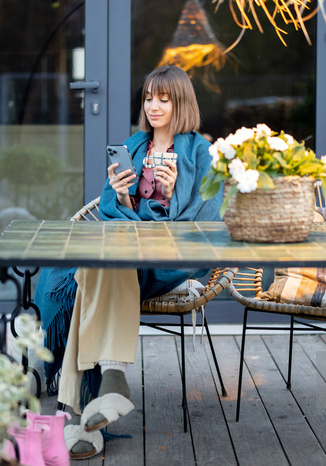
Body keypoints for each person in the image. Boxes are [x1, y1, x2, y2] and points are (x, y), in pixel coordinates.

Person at [34, 65, 223, 459]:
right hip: (124, 254)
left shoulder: (201, 153)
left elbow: (204, 226)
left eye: (164, 99)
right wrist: (120, 199)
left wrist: (171, 198)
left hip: (165, 262)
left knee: (96, 269)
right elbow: (107, 209)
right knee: (102, 264)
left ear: (181, 102)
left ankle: (72, 412)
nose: (154, 106)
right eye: (149, 98)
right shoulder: (134, 145)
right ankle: (110, 381)